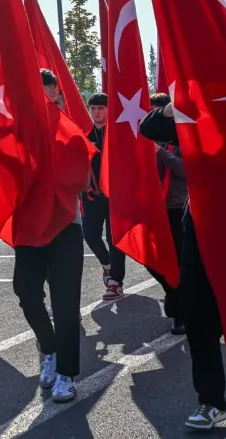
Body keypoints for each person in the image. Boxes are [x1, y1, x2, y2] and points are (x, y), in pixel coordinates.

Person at [139, 96, 226, 431]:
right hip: (202, 229)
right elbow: (150, 127)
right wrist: (179, 101)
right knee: (199, 320)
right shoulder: (196, 110)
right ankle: (210, 402)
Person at [11, 70, 88, 405]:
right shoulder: (14, 132)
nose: (39, 98)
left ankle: (67, 375)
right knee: (26, 292)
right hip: (28, 228)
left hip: (64, 227)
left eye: (45, 91)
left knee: (66, 305)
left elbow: (81, 181)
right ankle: (50, 348)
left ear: (56, 92)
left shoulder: (68, 131)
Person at [147, 92, 187, 336]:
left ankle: (178, 313)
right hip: (154, 209)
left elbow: (187, 170)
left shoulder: (182, 139)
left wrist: (160, 153)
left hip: (178, 209)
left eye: (158, 112)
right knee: (152, 261)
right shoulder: (146, 142)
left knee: (180, 263)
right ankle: (174, 295)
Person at [81, 93, 125, 302]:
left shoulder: (117, 134)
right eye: (93, 108)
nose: (97, 112)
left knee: (114, 239)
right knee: (89, 234)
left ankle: (116, 282)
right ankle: (107, 265)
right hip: (91, 195)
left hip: (115, 194)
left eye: (101, 108)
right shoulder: (84, 135)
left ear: (109, 110)